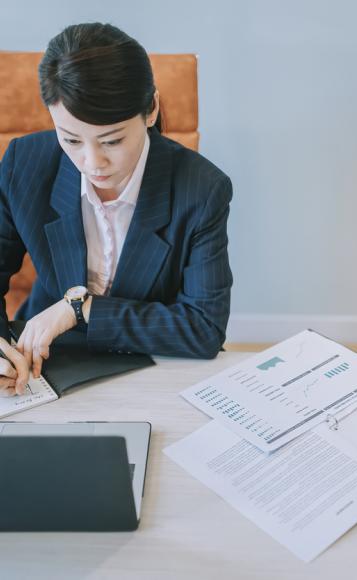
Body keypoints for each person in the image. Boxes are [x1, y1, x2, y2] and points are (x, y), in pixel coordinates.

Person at [0, 23, 233, 396]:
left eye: (112, 140)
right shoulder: (23, 165)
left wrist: (80, 308)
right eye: (71, 139)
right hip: (48, 360)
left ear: (151, 109)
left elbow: (203, 329)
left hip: (151, 361)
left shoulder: (202, 189)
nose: (93, 163)